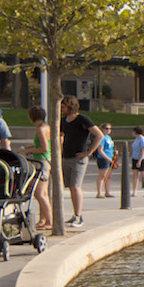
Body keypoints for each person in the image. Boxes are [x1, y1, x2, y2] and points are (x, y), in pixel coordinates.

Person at [58, 95, 104, 228]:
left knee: (76, 186)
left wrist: (89, 152)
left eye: (64, 106)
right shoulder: (63, 121)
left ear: (71, 106)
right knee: (71, 187)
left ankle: (79, 216)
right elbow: (60, 136)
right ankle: (74, 214)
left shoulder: (82, 119)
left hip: (78, 159)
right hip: (66, 157)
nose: (61, 108)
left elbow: (99, 134)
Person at [23, 107, 54, 230]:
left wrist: (27, 150)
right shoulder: (46, 127)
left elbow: (44, 148)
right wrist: (31, 146)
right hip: (46, 161)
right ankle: (44, 220)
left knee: (39, 194)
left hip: (42, 162)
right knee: (44, 193)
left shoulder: (41, 129)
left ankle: (50, 222)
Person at [95, 125, 116, 198]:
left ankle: (107, 192)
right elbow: (100, 150)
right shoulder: (102, 138)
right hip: (103, 158)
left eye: (110, 128)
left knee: (109, 176)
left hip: (110, 157)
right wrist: (107, 158)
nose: (108, 130)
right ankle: (99, 192)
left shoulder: (109, 138)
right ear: (103, 129)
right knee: (102, 176)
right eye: (107, 128)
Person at [130, 126, 144, 198]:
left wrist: (140, 160)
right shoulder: (136, 139)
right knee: (135, 175)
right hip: (134, 158)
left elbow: (143, 150)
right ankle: (134, 191)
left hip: (142, 158)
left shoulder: (142, 139)